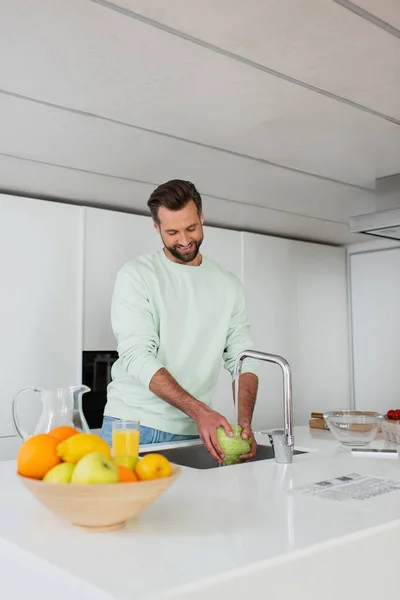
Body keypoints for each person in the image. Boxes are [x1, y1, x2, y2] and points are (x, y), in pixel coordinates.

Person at [101, 179, 259, 463]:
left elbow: (243, 357)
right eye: (172, 232)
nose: (185, 241)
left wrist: (244, 423)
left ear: (201, 217)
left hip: (195, 429)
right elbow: (137, 355)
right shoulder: (137, 276)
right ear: (156, 228)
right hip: (134, 427)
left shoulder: (228, 284)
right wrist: (200, 411)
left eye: (191, 228)